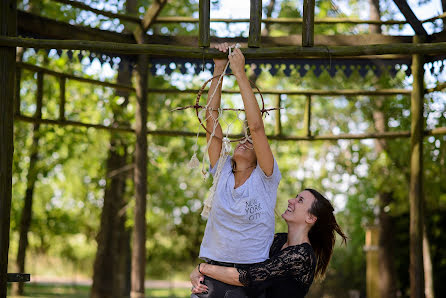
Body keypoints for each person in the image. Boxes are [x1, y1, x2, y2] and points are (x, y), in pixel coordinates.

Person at [192, 43, 282, 298]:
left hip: (249, 277)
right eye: (241, 139)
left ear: (259, 156)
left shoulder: (266, 177)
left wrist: (239, 74)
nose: (245, 140)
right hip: (210, 274)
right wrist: (219, 69)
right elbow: (211, 117)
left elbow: (256, 127)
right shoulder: (222, 171)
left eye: (250, 143)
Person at [191, 188, 347, 298]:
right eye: (296, 196)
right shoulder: (278, 240)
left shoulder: (301, 255)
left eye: (300, 200)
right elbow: (243, 258)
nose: (291, 200)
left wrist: (202, 268)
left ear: (310, 218)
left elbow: (246, 277)